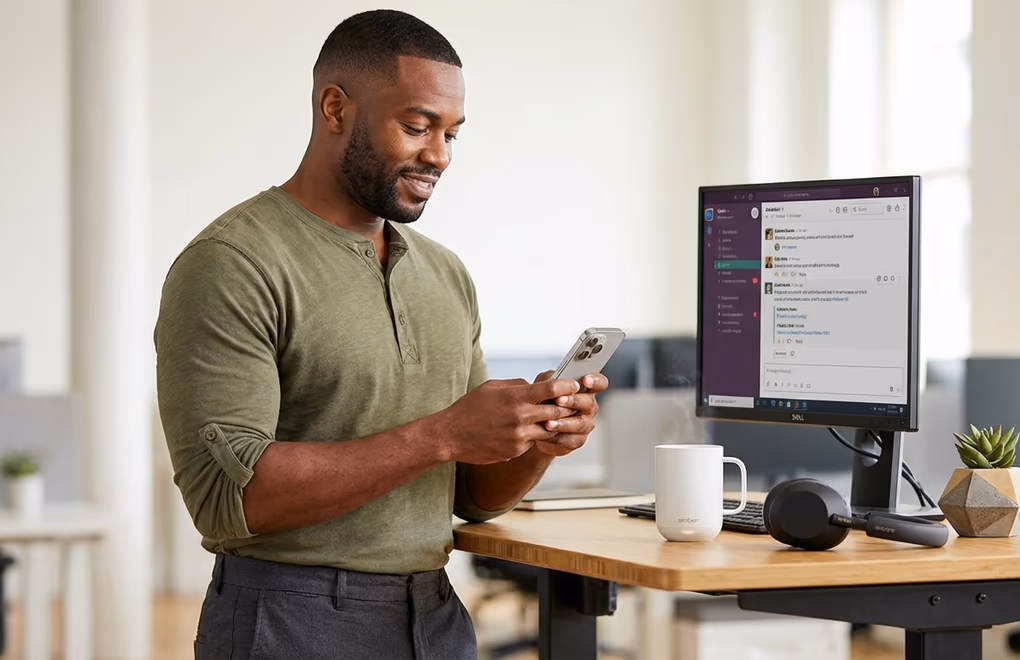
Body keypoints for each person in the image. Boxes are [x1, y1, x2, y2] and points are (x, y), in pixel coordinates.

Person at [153, 9, 608, 660]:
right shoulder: (233, 262)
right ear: (335, 109)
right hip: (286, 621)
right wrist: (443, 432)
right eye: (417, 126)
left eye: (452, 133)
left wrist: (533, 443)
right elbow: (231, 496)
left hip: (434, 616)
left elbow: (468, 498)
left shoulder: (446, 274)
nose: (439, 156)